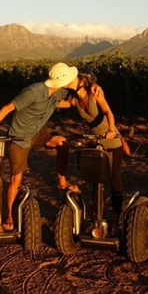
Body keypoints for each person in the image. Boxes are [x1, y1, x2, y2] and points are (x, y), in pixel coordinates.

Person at [0, 62, 82, 232]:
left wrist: (79, 99)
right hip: (19, 136)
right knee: (16, 179)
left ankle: (62, 182)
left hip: (38, 132)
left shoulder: (59, 92)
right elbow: (7, 108)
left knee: (62, 143)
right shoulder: (33, 92)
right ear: (61, 82)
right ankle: (9, 216)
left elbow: (61, 103)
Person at [58, 72, 128, 227]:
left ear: (82, 81)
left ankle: (116, 218)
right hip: (96, 142)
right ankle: (98, 217)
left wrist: (111, 129)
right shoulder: (75, 100)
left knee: (114, 180)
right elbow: (56, 103)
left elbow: (108, 112)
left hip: (112, 141)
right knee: (96, 179)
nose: (70, 82)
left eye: (74, 80)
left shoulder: (94, 94)